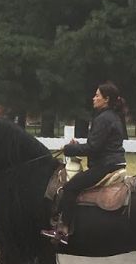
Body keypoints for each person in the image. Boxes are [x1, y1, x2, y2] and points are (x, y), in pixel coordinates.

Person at [42, 81, 128, 245]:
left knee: (70, 187)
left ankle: (63, 229)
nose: (93, 98)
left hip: (105, 165)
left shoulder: (103, 118)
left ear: (106, 99)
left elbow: (93, 147)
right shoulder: (112, 117)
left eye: (97, 95)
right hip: (114, 163)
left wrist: (69, 149)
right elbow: (97, 144)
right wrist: (76, 147)